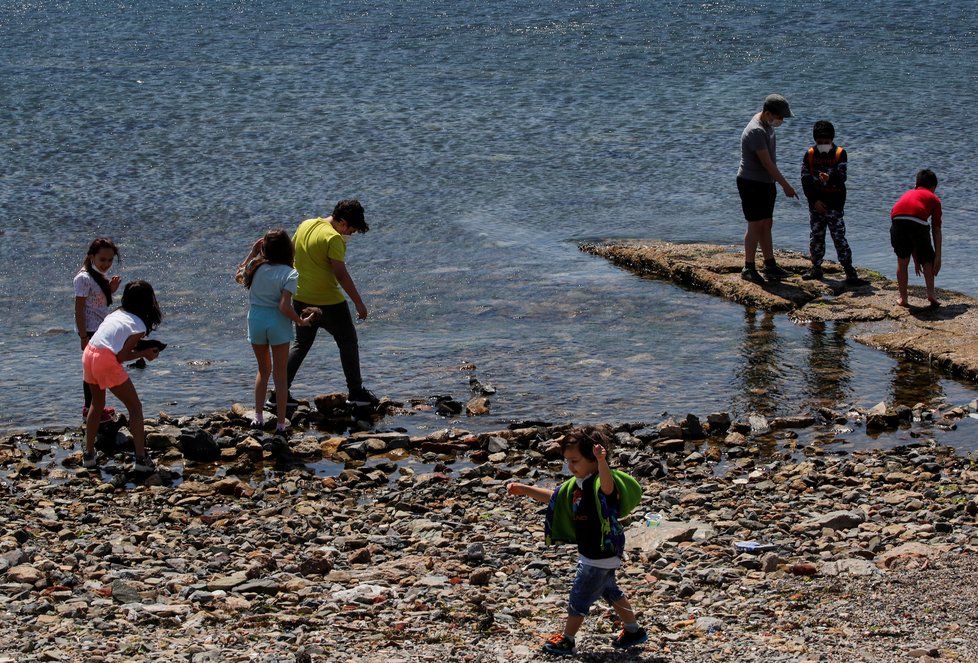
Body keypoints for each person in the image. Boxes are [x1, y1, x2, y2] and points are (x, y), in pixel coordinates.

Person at [507, 426, 646, 656]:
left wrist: (603, 462)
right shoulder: (578, 485)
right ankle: (633, 630)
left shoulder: (600, 485)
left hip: (598, 554)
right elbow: (556, 498)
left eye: (575, 461)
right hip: (601, 553)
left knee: (578, 597)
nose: (570, 467)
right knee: (611, 592)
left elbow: (608, 486)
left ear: (593, 458)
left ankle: (568, 639)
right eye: (567, 461)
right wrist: (524, 489)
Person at [274, 198, 379, 408]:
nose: (350, 235)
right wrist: (359, 303)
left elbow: (290, 257)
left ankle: (278, 394)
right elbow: (340, 274)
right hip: (329, 302)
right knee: (348, 342)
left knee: (301, 345)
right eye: (351, 230)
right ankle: (356, 392)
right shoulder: (333, 238)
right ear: (343, 223)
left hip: (301, 297)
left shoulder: (306, 225)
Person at [236, 229, 315, 433]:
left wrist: (252, 254)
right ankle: (280, 424)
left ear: (264, 249)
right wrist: (301, 321)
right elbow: (284, 307)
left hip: (256, 320)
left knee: (263, 370)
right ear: (288, 249)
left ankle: (259, 417)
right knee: (280, 376)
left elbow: (238, 275)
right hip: (277, 323)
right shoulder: (290, 273)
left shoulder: (255, 267)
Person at [81, 280, 163, 472]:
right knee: (135, 407)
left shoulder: (115, 314)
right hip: (105, 360)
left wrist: (139, 349)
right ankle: (141, 460)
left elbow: (114, 340)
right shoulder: (140, 325)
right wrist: (145, 354)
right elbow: (121, 356)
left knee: (96, 404)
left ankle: (89, 455)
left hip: (89, 353)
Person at [737, 93, 799, 284]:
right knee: (755, 224)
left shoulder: (766, 124)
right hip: (751, 182)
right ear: (768, 113)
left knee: (766, 223)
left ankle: (770, 264)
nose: (781, 121)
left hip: (765, 183)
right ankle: (748, 267)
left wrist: (775, 183)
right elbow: (766, 163)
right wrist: (785, 185)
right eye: (779, 117)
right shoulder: (756, 130)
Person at [800, 121, 867, 285]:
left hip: (835, 203)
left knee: (838, 236)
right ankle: (816, 267)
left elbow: (842, 177)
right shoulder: (809, 155)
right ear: (815, 140)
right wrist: (814, 201)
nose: (823, 145)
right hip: (816, 204)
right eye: (820, 142)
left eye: (826, 142)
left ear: (832, 139)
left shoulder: (839, 153)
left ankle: (849, 269)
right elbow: (805, 180)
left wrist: (830, 178)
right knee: (816, 236)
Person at [74, 238, 122, 423]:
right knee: (92, 371)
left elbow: (98, 302)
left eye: (110, 260)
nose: (106, 264)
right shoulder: (83, 278)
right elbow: (79, 308)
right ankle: (90, 408)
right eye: (102, 260)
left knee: (98, 370)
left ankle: (97, 405)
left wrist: (111, 290)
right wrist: (83, 335)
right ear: (92, 256)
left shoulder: (97, 275)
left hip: (101, 328)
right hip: (91, 330)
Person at [890, 169, 943, 308]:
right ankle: (931, 294)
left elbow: (906, 224)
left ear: (916, 185)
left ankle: (903, 298)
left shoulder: (907, 194)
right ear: (933, 187)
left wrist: (914, 256)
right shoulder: (934, 199)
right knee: (927, 259)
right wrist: (937, 256)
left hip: (897, 220)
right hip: (917, 222)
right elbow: (936, 230)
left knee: (902, 261)